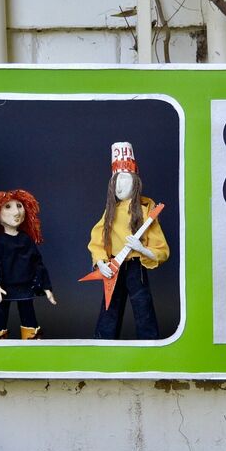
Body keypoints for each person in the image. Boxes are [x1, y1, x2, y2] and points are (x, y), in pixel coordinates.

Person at [88, 142, 169, 339]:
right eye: (115, 180)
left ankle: (149, 343)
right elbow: (97, 239)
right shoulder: (110, 212)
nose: (119, 185)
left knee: (143, 305)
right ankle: (103, 342)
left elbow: (161, 249)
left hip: (135, 266)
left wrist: (142, 249)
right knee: (109, 307)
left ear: (136, 181)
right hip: (113, 266)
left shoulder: (146, 212)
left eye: (124, 178)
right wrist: (101, 263)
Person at [0, 189, 56, 340]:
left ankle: (31, 339)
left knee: (28, 313)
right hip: (4, 288)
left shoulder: (26, 239)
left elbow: (37, 263)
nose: (16, 212)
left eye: (19, 206)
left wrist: (46, 287)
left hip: (25, 287)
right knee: (0, 314)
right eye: (8, 207)